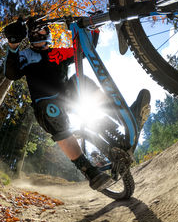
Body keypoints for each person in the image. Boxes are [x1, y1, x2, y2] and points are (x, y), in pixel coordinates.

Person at [3, 17, 151, 191]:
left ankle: (124, 116)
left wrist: (89, 26)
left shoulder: (57, 52)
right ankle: (90, 172)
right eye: (33, 32)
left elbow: (84, 49)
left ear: (48, 32)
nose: (37, 33)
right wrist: (13, 45)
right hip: (46, 104)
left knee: (82, 81)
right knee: (54, 115)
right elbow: (11, 73)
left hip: (68, 97)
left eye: (41, 29)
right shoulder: (26, 54)